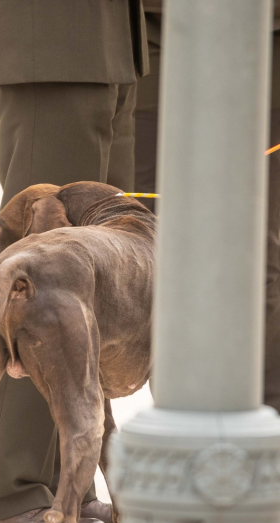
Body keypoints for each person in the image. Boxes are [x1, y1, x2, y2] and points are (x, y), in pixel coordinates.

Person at [0, 0, 149, 523]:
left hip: (106, 39)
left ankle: (64, 480)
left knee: (95, 273)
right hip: (51, 34)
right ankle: (0, 488)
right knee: (41, 275)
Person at [134, 0, 280, 414]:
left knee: (256, 246)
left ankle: (263, 418)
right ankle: (178, 410)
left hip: (266, 33)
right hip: (148, 29)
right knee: (148, 242)